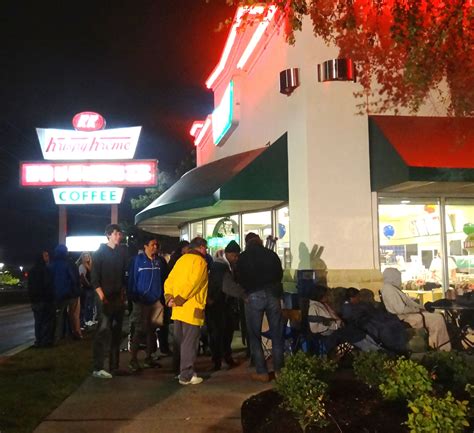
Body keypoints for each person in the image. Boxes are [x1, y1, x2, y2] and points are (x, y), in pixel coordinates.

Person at [235, 232, 284, 382]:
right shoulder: (271, 254)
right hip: (273, 294)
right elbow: (279, 274)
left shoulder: (243, 257)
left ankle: (262, 372)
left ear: (247, 242)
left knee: (255, 335)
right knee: (277, 335)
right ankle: (279, 371)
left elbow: (238, 277)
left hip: (253, 296)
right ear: (260, 241)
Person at [164, 237, 209, 385]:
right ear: (201, 247)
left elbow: (169, 280)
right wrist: (179, 299)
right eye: (205, 248)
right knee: (190, 342)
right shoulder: (201, 262)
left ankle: (178, 371)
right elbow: (193, 284)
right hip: (192, 308)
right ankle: (186, 374)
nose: (206, 251)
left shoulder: (181, 261)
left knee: (179, 342)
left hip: (178, 309)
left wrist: (169, 297)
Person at [380, 267, 451, 351]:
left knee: (437, 315)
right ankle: (442, 348)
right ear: (393, 277)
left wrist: (416, 307)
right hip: (404, 318)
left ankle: (435, 344)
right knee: (437, 318)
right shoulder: (389, 289)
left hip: (404, 316)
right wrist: (416, 309)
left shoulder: (390, 288)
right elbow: (400, 309)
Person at [91, 224, 128, 379]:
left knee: (116, 332)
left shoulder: (121, 252)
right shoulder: (99, 253)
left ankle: (114, 366)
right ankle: (98, 367)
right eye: (116, 234)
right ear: (108, 235)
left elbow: (124, 275)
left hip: (117, 299)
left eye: (119, 234)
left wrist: (123, 293)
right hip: (105, 299)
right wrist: (101, 297)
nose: (118, 236)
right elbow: (94, 278)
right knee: (103, 331)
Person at [127, 236, 165, 372]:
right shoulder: (137, 261)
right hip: (141, 301)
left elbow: (164, 279)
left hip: (156, 301)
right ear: (145, 246)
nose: (155, 247)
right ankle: (133, 359)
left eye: (157, 244)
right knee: (139, 330)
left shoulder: (159, 261)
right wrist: (133, 297)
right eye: (153, 244)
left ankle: (149, 358)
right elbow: (131, 279)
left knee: (152, 330)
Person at [309, 285, 380, 353]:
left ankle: (375, 347)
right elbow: (314, 327)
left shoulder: (324, 304)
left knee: (357, 331)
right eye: (326, 295)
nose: (328, 297)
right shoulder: (314, 307)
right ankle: (372, 350)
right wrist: (335, 325)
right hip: (329, 332)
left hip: (338, 327)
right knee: (353, 335)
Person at [206, 240, 241, 371]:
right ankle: (217, 360)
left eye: (237, 256)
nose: (236, 258)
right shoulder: (219, 266)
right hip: (216, 304)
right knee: (217, 333)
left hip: (225, 305)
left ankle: (225, 357)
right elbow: (221, 286)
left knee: (227, 332)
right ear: (227, 254)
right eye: (234, 256)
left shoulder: (229, 266)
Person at [341, 287, 407, 354]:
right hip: (365, 323)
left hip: (373, 317)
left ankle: (400, 347)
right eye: (358, 296)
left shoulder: (360, 303)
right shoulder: (347, 307)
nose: (359, 298)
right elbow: (352, 319)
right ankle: (394, 349)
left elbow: (373, 311)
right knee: (384, 327)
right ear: (353, 297)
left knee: (393, 322)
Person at [49, 244, 81, 341]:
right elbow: (74, 279)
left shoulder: (52, 265)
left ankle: (57, 336)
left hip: (57, 295)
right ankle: (75, 334)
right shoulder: (69, 264)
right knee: (74, 315)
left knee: (58, 317)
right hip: (70, 294)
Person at [27, 251, 55, 347]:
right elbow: (48, 285)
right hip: (45, 300)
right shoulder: (45, 270)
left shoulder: (32, 271)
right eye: (46, 256)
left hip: (35, 300)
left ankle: (38, 341)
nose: (48, 257)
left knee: (38, 321)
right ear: (42, 258)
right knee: (46, 322)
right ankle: (45, 341)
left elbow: (29, 287)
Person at [77, 252, 95, 328]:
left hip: (90, 288)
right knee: (87, 304)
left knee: (90, 304)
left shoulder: (90, 266)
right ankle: (86, 320)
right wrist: (89, 284)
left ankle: (89, 319)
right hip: (86, 289)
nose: (87, 257)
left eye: (88, 255)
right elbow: (82, 277)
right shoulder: (82, 266)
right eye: (85, 256)